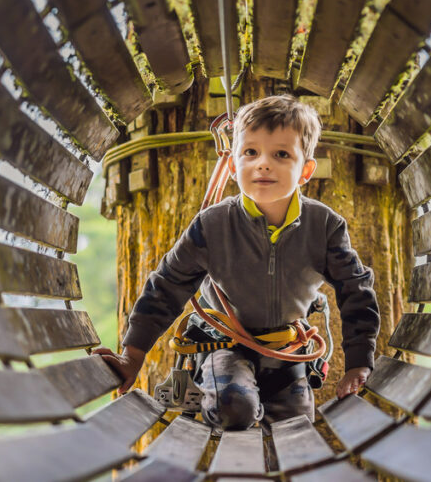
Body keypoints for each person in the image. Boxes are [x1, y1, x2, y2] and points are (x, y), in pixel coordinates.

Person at [94, 95, 379, 430]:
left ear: (306, 170)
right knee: (235, 408)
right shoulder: (212, 225)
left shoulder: (325, 226)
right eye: (250, 152)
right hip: (225, 348)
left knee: (297, 430)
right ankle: (214, 398)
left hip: (286, 352)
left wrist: (359, 363)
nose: (263, 163)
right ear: (232, 166)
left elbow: (356, 289)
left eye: (281, 154)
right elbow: (166, 286)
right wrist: (132, 355)